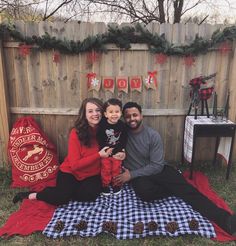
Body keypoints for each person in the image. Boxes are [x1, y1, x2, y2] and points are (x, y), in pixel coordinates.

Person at [114, 101, 236, 236]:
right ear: (124, 118)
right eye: (128, 116)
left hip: (158, 169)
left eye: (135, 115)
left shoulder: (152, 135)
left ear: (141, 116)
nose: (132, 119)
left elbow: (156, 165)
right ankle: (172, 189)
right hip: (139, 176)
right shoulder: (121, 134)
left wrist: (131, 175)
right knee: (144, 194)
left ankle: (226, 220)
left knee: (188, 190)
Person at [12, 98, 123, 205]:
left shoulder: (106, 130)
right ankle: (34, 195)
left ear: (103, 113)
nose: (95, 114)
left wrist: (122, 152)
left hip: (92, 174)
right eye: (90, 111)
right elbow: (74, 165)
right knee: (60, 198)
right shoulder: (76, 133)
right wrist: (98, 155)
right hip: (71, 172)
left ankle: (66, 191)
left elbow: (114, 146)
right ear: (84, 114)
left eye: (98, 110)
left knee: (89, 196)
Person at [97, 98, 127, 195]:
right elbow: (99, 138)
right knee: (105, 168)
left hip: (117, 152)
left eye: (117, 111)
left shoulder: (122, 125)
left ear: (121, 113)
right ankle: (105, 185)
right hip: (105, 152)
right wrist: (105, 149)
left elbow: (123, 139)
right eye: (111, 112)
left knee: (116, 169)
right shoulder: (102, 125)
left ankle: (116, 184)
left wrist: (119, 150)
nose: (114, 114)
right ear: (105, 114)